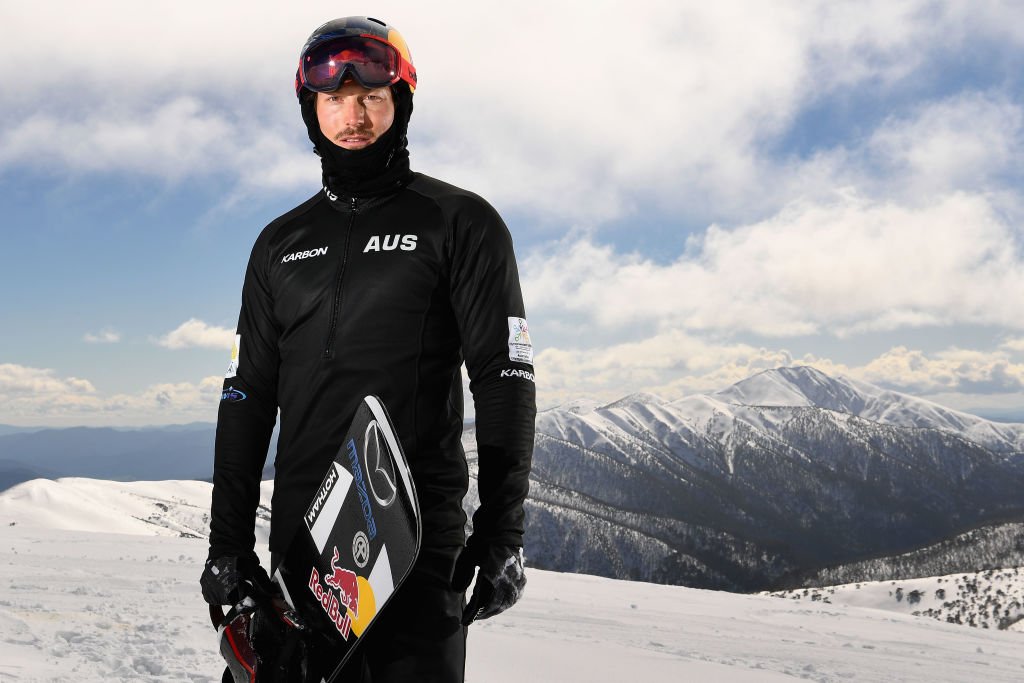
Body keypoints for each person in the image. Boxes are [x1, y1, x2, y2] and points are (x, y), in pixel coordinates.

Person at [199, 15, 536, 683]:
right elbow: (247, 396)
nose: (352, 114)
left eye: (371, 97)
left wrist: (502, 532)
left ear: (400, 101)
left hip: (412, 544)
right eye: (332, 98)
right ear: (311, 109)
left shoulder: (459, 222)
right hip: (303, 552)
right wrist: (228, 545)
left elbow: (503, 376)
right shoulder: (278, 244)